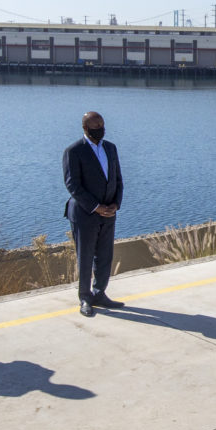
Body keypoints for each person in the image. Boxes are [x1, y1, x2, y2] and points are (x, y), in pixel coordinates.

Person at [63, 111, 124, 317]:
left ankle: (100, 293)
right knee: (86, 256)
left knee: (105, 255)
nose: (100, 129)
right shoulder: (74, 151)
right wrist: (96, 206)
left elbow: (118, 179)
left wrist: (116, 203)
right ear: (85, 129)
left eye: (102, 125)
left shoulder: (111, 148)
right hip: (85, 212)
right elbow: (73, 185)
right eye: (96, 126)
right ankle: (85, 297)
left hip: (108, 212)